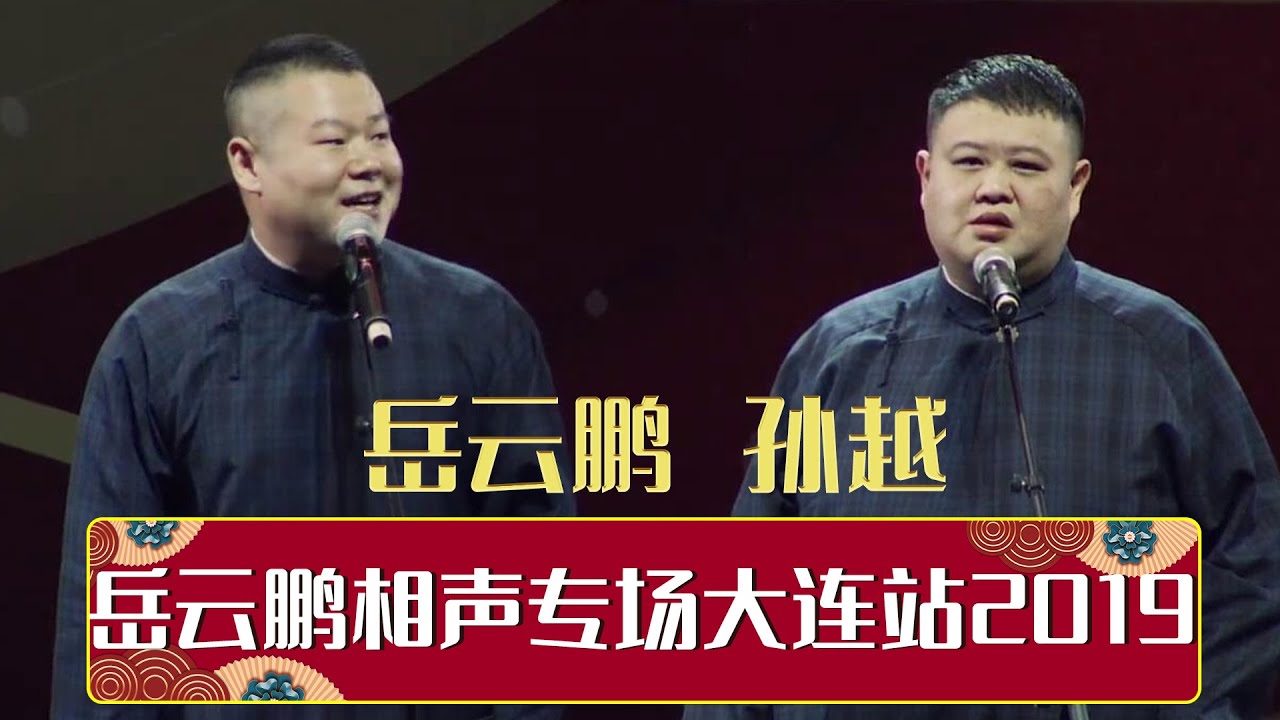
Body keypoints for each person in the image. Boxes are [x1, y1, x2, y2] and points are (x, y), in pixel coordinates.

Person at [686, 54, 1280, 719]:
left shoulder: (1159, 345)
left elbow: (1256, 569)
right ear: (925, 176)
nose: (994, 189)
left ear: (1076, 186)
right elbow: (743, 598)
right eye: (969, 162)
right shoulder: (837, 353)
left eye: (1026, 167)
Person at [52, 34, 572, 719]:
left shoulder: (479, 321)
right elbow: (108, 622)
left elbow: (538, 575)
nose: (369, 163)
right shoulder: (159, 342)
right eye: (333, 142)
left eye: (380, 136)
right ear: (248, 163)